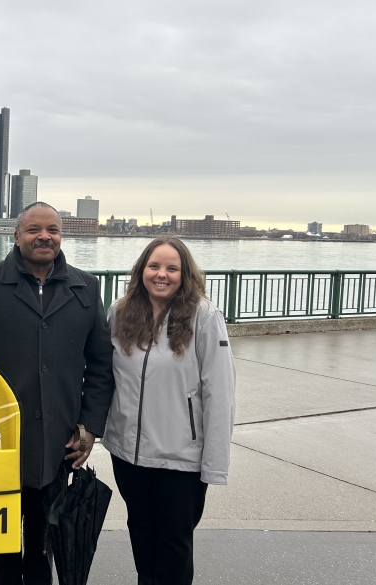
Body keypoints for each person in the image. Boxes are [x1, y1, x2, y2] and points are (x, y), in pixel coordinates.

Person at [0, 202, 115, 585]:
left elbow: (101, 364)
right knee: (2, 548)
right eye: (35, 230)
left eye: (53, 230)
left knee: (43, 547)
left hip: (58, 444)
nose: (45, 237)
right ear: (16, 236)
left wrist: (89, 426)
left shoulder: (86, 287)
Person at [105, 236, 235, 585]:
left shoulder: (204, 317)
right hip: (128, 456)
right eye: (154, 266)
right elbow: (106, 376)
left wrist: (214, 464)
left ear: (184, 274)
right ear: (141, 270)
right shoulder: (120, 312)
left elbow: (219, 394)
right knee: (142, 538)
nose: (162, 275)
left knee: (173, 548)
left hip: (180, 459)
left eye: (171, 268)